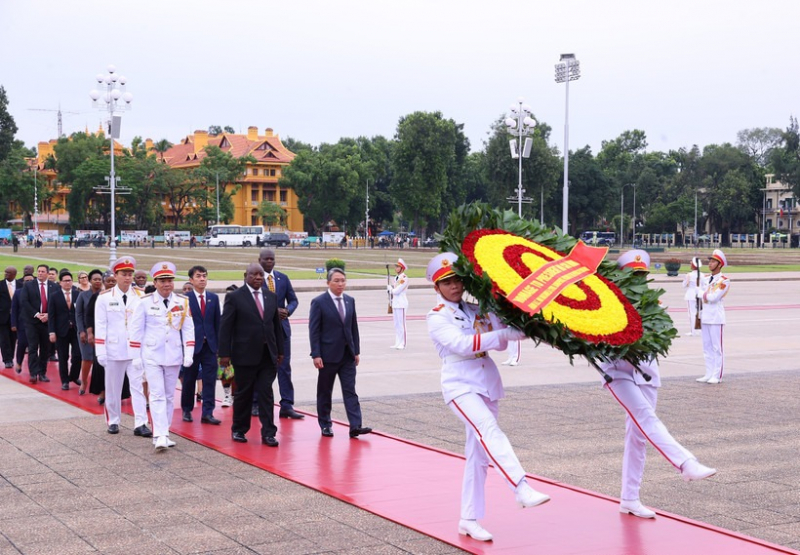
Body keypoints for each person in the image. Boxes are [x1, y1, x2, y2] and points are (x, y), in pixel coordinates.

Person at [425, 252, 549, 542]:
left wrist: (519, 329)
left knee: (477, 457)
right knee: (488, 430)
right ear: (437, 287)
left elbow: (502, 343)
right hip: (460, 385)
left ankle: (468, 518)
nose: (454, 286)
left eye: (457, 280)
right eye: (447, 282)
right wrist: (502, 334)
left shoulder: (474, 309)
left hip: (486, 383)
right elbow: (462, 344)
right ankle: (520, 486)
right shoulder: (437, 316)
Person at [600, 250, 717, 520]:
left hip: (648, 371)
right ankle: (686, 463)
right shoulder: (609, 303)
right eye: (633, 274)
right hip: (617, 371)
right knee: (645, 417)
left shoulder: (653, 302)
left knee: (638, 436)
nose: (638, 279)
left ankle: (629, 498)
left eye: (642, 274)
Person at [130, 262, 195, 451]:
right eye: (163, 281)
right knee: (157, 394)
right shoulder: (145, 302)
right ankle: (159, 434)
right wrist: (135, 356)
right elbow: (136, 330)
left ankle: (165, 431)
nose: (167, 284)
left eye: (170, 281)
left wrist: (188, 352)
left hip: (173, 355)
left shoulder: (182, 302)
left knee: (168, 396)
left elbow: (188, 329)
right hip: (151, 355)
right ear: (155, 282)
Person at [218, 263, 283, 446]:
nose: (257, 278)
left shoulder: (271, 296)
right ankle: (239, 429)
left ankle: (269, 433)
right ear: (245, 275)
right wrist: (224, 354)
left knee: (266, 393)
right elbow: (226, 327)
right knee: (243, 394)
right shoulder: (235, 297)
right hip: (244, 355)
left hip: (267, 355)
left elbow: (275, 326)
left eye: (260, 275)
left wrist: (280, 350)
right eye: (254, 275)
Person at [308, 268, 371, 439]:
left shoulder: (350, 301)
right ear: (328, 282)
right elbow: (314, 330)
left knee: (350, 390)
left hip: (347, 355)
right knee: (325, 391)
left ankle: (355, 426)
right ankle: (325, 424)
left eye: (343, 280)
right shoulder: (319, 302)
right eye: (336, 280)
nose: (340, 284)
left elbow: (353, 328)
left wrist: (356, 350)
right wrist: (316, 354)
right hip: (327, 356)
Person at [94, 256, 150, 437]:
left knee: (138, 387)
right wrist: (100, 351)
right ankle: (113, 420)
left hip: (135, 351)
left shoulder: (141, 297)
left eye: (130, 274)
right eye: (124, 274)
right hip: (113, 349)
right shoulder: (104, 298)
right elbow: (101, 325)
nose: (128, 278)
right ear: (115, 275)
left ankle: (141, 422)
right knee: (112, 388)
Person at [259, 248, 303, 419]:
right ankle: (257, 403)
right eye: (266, 259)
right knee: (262, 369)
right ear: (260, 260)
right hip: (263, 332)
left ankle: (287, 405)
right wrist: (272, 312)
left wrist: (287, 310)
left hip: (282, 331)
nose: (269, 262)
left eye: (272, 259)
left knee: (284, 368)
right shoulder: (254, 278)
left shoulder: (282, 278)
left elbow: (293, 300)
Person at [180, 265, 221, 426]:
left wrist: (218, 347)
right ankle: (187, 410)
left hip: (209, 346)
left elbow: (217, 323)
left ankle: (208, 412)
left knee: (210, 380)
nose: (202, 279)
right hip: (192, 346)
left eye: (204, 276)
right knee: (189, 379)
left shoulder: (213, 298)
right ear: (191, 280)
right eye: (198, 276)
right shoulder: (185, 299)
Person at [697, 249, 730, 384]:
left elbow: (714, 297)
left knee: (717, 348)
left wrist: (703, 294)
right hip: (705, 315)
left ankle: (717, 375)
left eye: (713, 261)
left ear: (719, 264)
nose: (710, 264)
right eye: (709, 261)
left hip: (716, 317)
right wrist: (704, 295)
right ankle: (708, 373)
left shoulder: (724, 281)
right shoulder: (705, 278)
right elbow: (697, 292)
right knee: (707, 347)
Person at [21, 264, 58, 383]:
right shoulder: (28, 286)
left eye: (43, 271)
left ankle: (42, 372)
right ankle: (33, 373)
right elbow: (24, 302)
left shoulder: (54, 286)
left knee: (45, 348)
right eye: (39, 271)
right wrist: (37, 314)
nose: (40, 273)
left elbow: (56, 303)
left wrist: (48, 315)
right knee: (32, 347)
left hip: (47, 322)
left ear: (47, 273)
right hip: (32, 321)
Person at [48, 271, 82, 390]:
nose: (68, 283)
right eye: (65, 281)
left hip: (76, 330)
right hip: (61, 330)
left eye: (70, 280)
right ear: (60, 282)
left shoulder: (78, 294)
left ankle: (73, 376)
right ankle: (65, 380)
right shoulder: (54, 296)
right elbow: (51, 315)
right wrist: (52, 332)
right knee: (63, 357)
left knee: (78, 355)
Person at [76, 270, 102, 394]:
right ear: (90, 281)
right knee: (87, 357)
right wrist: (82, 331)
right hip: (86, 331)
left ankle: (99, 386)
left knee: (100, 360)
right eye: (95, 279)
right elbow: (79, 314)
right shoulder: (83, 295)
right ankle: (84, 381)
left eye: (99, 279)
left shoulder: (105, 294)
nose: (97, 281)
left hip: (101, 331)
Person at [11, 273, 34, 374]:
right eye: (26, 280)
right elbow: (14, 309)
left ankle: (33, 369)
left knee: (33, 346)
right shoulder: (18, 292)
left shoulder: (37, 293)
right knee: (22, 344)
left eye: (31, 280)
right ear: (23, 282)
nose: (29, 282)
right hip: (22, 324)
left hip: (35, 323)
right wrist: (13, 324)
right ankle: (19, 362)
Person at [388, 258, 409, 350]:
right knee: (396, 324)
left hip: (401, 303)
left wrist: (391, 290)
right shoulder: (396, 278)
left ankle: (403, 343)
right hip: (396, 303)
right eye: (396, 267)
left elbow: (397, 291)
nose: (396, 268)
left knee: (402, 324)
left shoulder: (404, 278)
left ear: (402, 268)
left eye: (398, 267)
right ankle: (397, 342)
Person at [0, 266, 18, 368]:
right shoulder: (0, 284)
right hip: (2, 317)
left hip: (15, 318)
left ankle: (10, 356)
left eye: (8, 273)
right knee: (4, 338)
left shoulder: (20, 285)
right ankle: (7, 359)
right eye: (5, 272)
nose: (6, 274)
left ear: (14, 274)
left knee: (13, 338)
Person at [682, 257, 702, 337]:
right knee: (699, 313)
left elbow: (684, 285)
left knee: (692, 314)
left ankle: (693, 331)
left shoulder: (689, 275)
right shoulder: (702, 275)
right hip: (699, 295)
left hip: (691, 295)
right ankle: (699, 330)